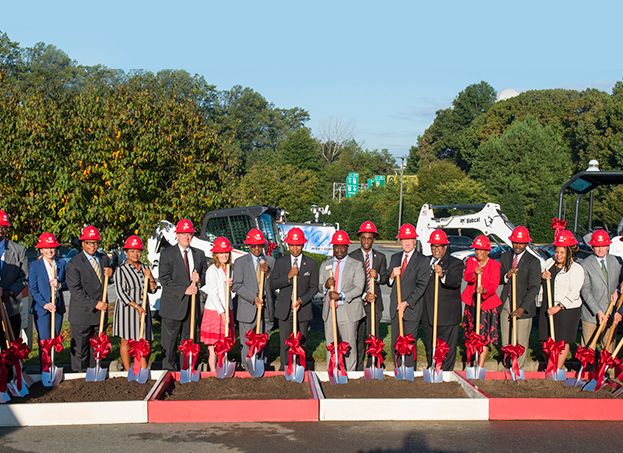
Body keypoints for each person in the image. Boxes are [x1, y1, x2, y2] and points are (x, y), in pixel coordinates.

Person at [158, 219, 208, 371]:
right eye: (183, 234)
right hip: (173, 306)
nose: (187, 237)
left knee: (188, 341)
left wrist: (199, 280)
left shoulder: (199, 254)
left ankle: (186, 370)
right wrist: (184, 290)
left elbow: (205, 275)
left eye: (189, 234)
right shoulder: (167, 254)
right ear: (177, 235)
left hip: (191, 308)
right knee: (170, 343)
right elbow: (164, 279)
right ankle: (169, 372)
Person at [270, 228, 318, 372]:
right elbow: (272, 284)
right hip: (285, 309)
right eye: (292, 245)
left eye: (297, 245)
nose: (295, 248)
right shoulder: (281, 262)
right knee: (285, 343)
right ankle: (285, 369)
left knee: (301, 343)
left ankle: (300, 369)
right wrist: (288, 277)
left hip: (302, 310)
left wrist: (301, 300)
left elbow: (314, 287)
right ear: (288, 245)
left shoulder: (311, 264)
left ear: (303, 245)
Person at [66, 225, 112, 372]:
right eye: (89, 243)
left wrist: (111, 273)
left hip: (100, 314)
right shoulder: (74, 264)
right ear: (82, 243)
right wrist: (94, 304)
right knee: (80, 349)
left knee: (97, 347)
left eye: (95, 243)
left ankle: (94, 374)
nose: (93, 246)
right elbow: (76, 290)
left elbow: (104, 282)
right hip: (82, 314)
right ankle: (79, 377)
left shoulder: (104, 259)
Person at [320, 230, 365, 371]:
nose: (339, 250)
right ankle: (332, 372)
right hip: (330, 311)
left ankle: (350, 375)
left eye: (342, 246)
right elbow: (319, 287)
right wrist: (325, 286)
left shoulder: (356, 265)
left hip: (347, 309)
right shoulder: (325, 265)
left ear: (347, 247)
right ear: (333, 247)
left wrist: (341, 295)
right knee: (331, 345)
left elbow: (358, 288)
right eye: (336, 247)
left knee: (348, 345)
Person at [539, 230, 584, 371]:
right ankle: (549, 366)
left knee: (561, 341)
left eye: (562, 252)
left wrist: (558, 307)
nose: (559, 255)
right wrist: (543, 276)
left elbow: (574, 292)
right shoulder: (548, 263)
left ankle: (556, 370)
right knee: (546, 340)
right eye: (557, 251)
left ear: (569, 252)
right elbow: (542, 283)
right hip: (548, 305)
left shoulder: (577, 269)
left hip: (566, 310)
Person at [498, 226, 541, 370]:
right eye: (515, 242)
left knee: (520, 341)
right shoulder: (505, 257)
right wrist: (506, 276)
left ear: (527, 244)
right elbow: (499, 278)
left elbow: (534, 287)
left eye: (521, 243)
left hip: (523, 305)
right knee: (506, 338)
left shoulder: (533, 262)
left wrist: (523, 307)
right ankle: (507, 368)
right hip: (506, 303)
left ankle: (518, 370)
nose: (517, 246)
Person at [387, 223, 430, 369]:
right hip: (395, 308)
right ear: (400, 241)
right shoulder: (394, 258)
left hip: (411, 309)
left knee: (408, 343)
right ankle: (398, 370)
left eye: (410, 239)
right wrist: (392, 275)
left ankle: (409, 371)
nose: (406, 242)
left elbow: (421, 286)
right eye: (404, 239)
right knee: (395, 342)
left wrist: (406, 302)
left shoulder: (422, 260)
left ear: (414, 241)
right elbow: (388, 280)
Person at [113, 235, 157, 372]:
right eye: (132, 251)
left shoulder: (145, 268)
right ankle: (128, 370)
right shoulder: (121, 270)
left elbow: (153, 289)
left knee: (146, 339)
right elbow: (120, 293)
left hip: (143, 308)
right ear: (126, 252)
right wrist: (136, 306)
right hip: (128, 309)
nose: (136, 254)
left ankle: (143, 368)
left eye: (138, 251)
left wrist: (150, 277)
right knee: (127, 340)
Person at [422, 230, 464, 371]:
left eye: (439, 246)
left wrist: (442, 274)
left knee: (446, 349)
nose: (436, 249)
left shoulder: (456, 263)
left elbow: (455, 281)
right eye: (434, 246)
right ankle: (432, 368)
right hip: (429, 314)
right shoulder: (425, 261)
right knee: (431, 345)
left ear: (446, 247)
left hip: (447, 315)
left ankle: (445, 374)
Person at [349, 221, 389, 371]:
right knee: (357, 336)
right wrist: (365, 295)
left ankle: (372, 365)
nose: (366, 241)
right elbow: (349, 282)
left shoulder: (381, 257)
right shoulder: (352, 257)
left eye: (369, 238)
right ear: (360, 238)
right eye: (364, 238)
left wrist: (377, 275)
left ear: (374, 239)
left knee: (373, 336)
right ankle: (358, 368)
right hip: (357, 301)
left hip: (375, 303)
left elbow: (385, 278)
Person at [233, 228, 275, 367]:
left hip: (266, 308)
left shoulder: (270, 261)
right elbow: (237, 285)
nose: (257, 248)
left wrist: (268, 273)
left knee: (264, 339)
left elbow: (275, 284)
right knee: (248, 342)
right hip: (248, 309)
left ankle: (261, 365)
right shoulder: (240, 262)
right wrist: (254, 297)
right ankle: (248, 367)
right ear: (248, 245)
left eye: (259, 245)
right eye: (253, 245)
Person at [461, 235, 502, 369]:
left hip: (486, 305)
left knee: (483, 337)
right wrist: (474, 273)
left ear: (488, 251)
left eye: (481, 250)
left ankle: (480, 365)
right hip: (472, 304)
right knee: (471, 336)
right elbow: (467, 277)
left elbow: (494, 284)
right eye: (477, 250)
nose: (478, 253)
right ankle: (472, 363)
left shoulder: (495, 265)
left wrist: (484, 290)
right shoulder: (471, 261)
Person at [580, 230, 623, 353]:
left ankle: (606, 372)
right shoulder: (585, 264)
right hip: (591, 314)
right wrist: (598, 311)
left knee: (608, 349)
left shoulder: (617, 261)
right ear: (592, 247)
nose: (601, 249)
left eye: (604, 246)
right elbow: (586, 290)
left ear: (608, 246)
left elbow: (621, 282)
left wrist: (617, 290)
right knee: (588, 350)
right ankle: (588, 372)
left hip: (611, 312)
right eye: (598, 246)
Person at [29, 233, 67, 368]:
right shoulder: (35, 266)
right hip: (42, 309)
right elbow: (33, 289)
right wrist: (44, 304)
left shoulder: (61, 264)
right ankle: (45, 369)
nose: (49, 250)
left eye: (52, 247)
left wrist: (60, 284)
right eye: (46, 248)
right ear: (41, 250)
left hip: (57, 308)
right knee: (44, 340)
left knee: (54, 338)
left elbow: (67, 284)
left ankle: (52, 365)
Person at [200, 237, 235, 371]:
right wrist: (222, 313)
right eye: (221, 253)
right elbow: (213, 294)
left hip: (227, 308)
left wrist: (231, 287)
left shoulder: (230, 269)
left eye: (226, 252)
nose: (224, 255)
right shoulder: (212, 271)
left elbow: (229, 291)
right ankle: (213, 370)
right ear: (216, 254)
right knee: (213, 343)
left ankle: (223, 366)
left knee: (224, 340)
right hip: (215, 311)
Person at [0, 210, 29, 346]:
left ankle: (10, 368)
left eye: (3, 228)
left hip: (10, 308)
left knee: (10, 348)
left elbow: (24, 276)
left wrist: (10, 292)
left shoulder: (18, 250)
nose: (1, 231)